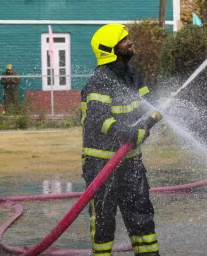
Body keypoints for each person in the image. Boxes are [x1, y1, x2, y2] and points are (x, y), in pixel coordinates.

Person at [81, 24, 161, 256]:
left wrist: (152, 118)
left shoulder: (134, 76)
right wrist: (130, 133)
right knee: (104, 218)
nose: (130, 42)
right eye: (124, 40)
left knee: (141, 213)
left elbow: (148, 107)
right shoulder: (99, 80)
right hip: (101, 164)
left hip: (131, 161)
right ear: (110, 49)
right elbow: (99, 121)